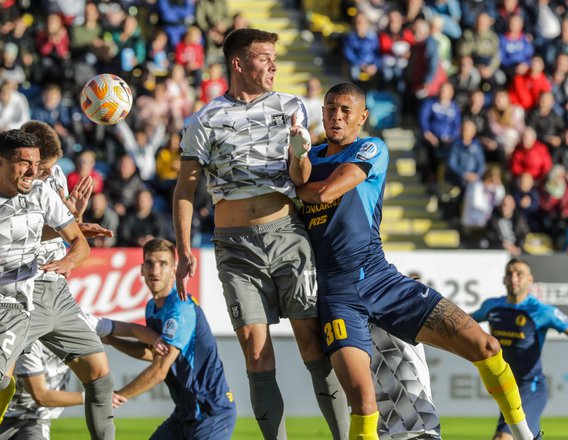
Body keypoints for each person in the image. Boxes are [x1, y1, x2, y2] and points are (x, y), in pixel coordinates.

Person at [297, 82, 538, 440]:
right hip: (338, 294)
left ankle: (525, 435)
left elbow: (327, 191)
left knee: (487, 347)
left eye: (346, 110)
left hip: (381, 280)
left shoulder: (370, 148)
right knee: (364, 404)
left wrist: (294, 185)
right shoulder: (309, 158)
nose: (337, 115)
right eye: (331, 107)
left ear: (362, 117)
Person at [172, 28, 349, 439]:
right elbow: (184, 189)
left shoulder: (291, 107)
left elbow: (300, 177)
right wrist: (183, 249)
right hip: (234, 247)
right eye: (264, 57)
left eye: (274, 57)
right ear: (238, 63)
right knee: (255, 351)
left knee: (312, 345)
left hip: (287, 235)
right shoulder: (204, 120)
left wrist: (301, 152)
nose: (273, 64)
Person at [19, 121, 116, 440]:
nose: (47, 175)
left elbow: (67, 233)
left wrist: (73, 217)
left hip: (57, 289)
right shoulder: (12, 183)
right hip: (20, 292)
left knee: (100, 376)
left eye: (50, 168)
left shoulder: (54, 178)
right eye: (42, 169)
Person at [103, 238, 236, 439]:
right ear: (141, 269)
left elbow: (159, 370)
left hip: (210, 412)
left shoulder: (181, 308)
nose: (155, 271)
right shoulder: (151, 307)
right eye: (149, 263)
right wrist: (113, 340)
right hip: (184, 414)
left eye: (163, 264)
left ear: (174, 269)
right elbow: (153, 354)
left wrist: (120, 395)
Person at [0, 130, 89, 425]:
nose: (34, 171)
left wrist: (69, 257)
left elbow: (76, 241)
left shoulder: (41, 193)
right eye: (25, 162)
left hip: (13, 304)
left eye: (38, 164)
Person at [472, 258, 568, 439]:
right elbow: (465, 323)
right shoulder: (491, 306)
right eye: (509, 274)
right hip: (505, 385)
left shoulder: (541, 310)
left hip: (530, 387)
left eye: (519, 274)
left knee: (503, 437)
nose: (514, 278)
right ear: (503, 279)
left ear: (529, 280)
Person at [0, 322, 163, 440]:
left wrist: (157, 341)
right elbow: (41, 396)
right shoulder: (30, 341)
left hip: (35, 419)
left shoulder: (80, 319)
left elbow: (132, 329)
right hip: (4, 415)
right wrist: (96, 397)